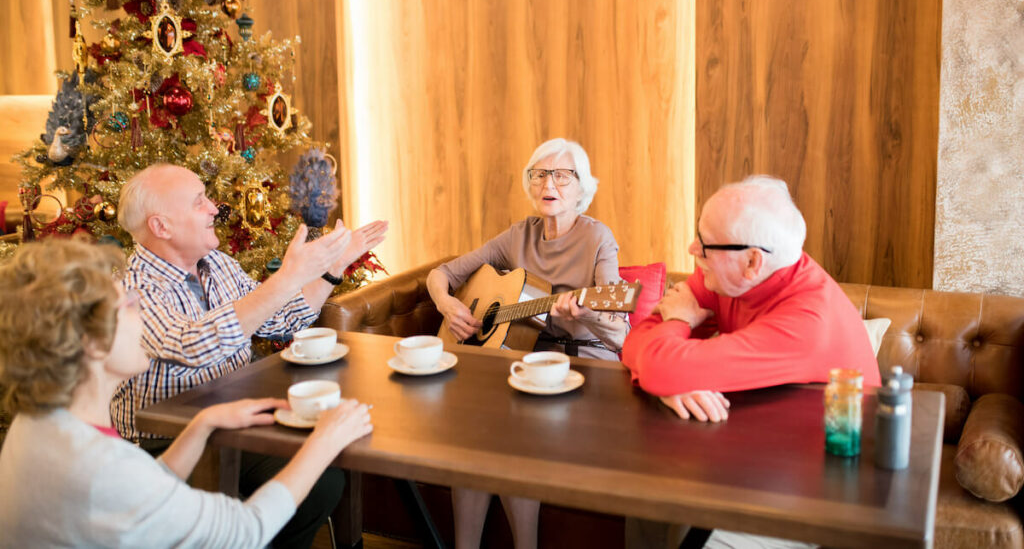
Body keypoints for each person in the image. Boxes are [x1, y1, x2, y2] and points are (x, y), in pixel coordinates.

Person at [0, 238, 373, 547]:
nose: (142, 313)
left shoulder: (37, 424)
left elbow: (143, 488)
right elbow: (247, 530)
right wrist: (325, 442)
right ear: (91, 345)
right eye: (129, 305)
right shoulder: (103, 469)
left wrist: (201, 424)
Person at [111, 163, 388, 548]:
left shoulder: (219, 265)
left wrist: (332, 270)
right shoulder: (134, 286)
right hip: (163, 442)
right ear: (161, 227)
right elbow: (195, 345)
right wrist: (287, 277)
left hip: (235, 423)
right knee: (224, 516)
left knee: (324, 483)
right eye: (199, 201)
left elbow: (284, 319)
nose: (214, 208)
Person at [427, 137, 628, 549]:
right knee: (472, 436)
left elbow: (620, 331)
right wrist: (448, 305)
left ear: (582, 187)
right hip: (523, 361)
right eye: (539, 174)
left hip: (583, 366)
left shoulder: (598, 239)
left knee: (510, 439)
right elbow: (441, 275)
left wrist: (586, 313)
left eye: (562, 175)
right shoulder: (518, 235)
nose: (548, 184)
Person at [622, 175, 881, 423]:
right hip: (762, 437)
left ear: (752, 261)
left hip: (833, 456)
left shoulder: (806, 321)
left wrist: (675, 330)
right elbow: (635, 343)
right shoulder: (725, 276)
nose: (692, 249)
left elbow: (658, 365)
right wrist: (669, 381)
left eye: (706, 243)